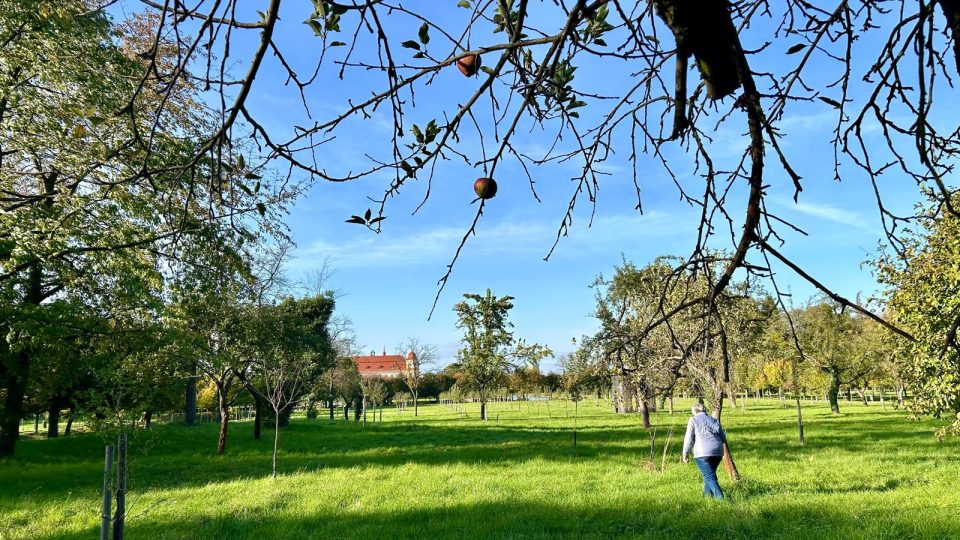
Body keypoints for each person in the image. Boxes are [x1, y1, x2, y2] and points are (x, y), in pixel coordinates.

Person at [681, 402, 726, 500]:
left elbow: (688, 438)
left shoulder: (693, 420)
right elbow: (723, 438)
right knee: (709, 475)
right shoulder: (714, 420)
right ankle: (707, 498)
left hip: (702, 453)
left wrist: (685, 453)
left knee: (710, 476)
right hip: (718, 452)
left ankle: (721, 499)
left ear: (694, 411)